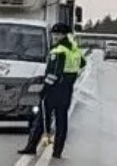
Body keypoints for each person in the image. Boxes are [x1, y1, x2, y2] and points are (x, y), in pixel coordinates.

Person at [18, 22, 84, 158]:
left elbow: (53, 73)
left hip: (54, 90)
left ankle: (31, 146)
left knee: (42, 119)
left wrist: (44, 89)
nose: (54, 36)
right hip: (67, 89)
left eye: (57, 34)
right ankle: (57, 151)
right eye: (54, 34)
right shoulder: (74, 50)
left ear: (64, 35)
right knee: (62, 121)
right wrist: (72, 77)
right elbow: (82, 64)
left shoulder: (58, 51)